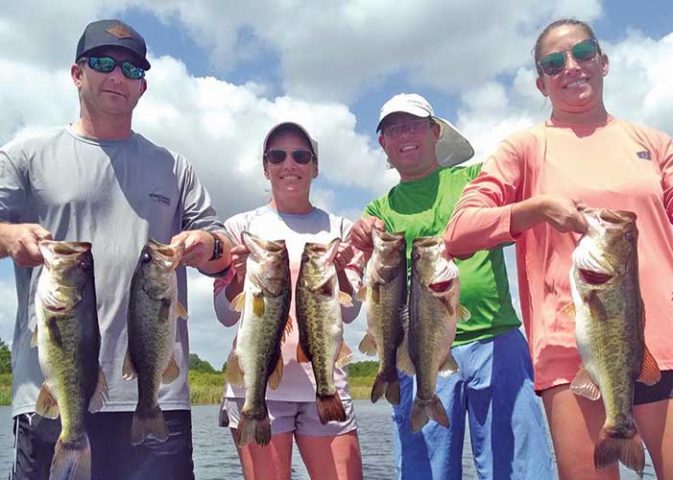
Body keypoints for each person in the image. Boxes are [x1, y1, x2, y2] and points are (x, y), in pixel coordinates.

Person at [443, 18, 673, 480]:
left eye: (583, 53)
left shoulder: (652, 143)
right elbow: (459, 231)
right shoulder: (524, 148)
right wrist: (534, 210)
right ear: (541, 81)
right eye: (554, 63)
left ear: (604, 61)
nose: (571, 67)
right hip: (574, 352)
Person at [0, 19, 233, 480]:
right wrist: (8, 237)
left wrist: (206, 242)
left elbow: (222, 248)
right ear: (76, 74)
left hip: (156, 400)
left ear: (143, 87)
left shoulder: (173, 166)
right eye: (103, 63)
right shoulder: (25, 155)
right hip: (51, 394)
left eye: (131, 69)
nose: (117, 76)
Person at [350, 93, 554, 479]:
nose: (404, 136)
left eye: (413, 125)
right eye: (394, 129)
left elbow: (522, 212)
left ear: (435, 131)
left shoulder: (476, 178)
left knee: (519, 468)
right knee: (425, 470)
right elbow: (370, 284)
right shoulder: (379, 210)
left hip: (498, 340)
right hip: (418, 351)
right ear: (383, 144)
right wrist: (360, 239)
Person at [213, 121, 364, 480]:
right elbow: (224, 314)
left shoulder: (339, 228)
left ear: (314, 166)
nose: (289, 164)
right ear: (265, 167)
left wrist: (341, 272)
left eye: (300, 155)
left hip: (324, 386)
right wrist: (234, 277)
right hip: (255, 386)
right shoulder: (241, 226)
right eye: (277, 156)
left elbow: (351, 310)